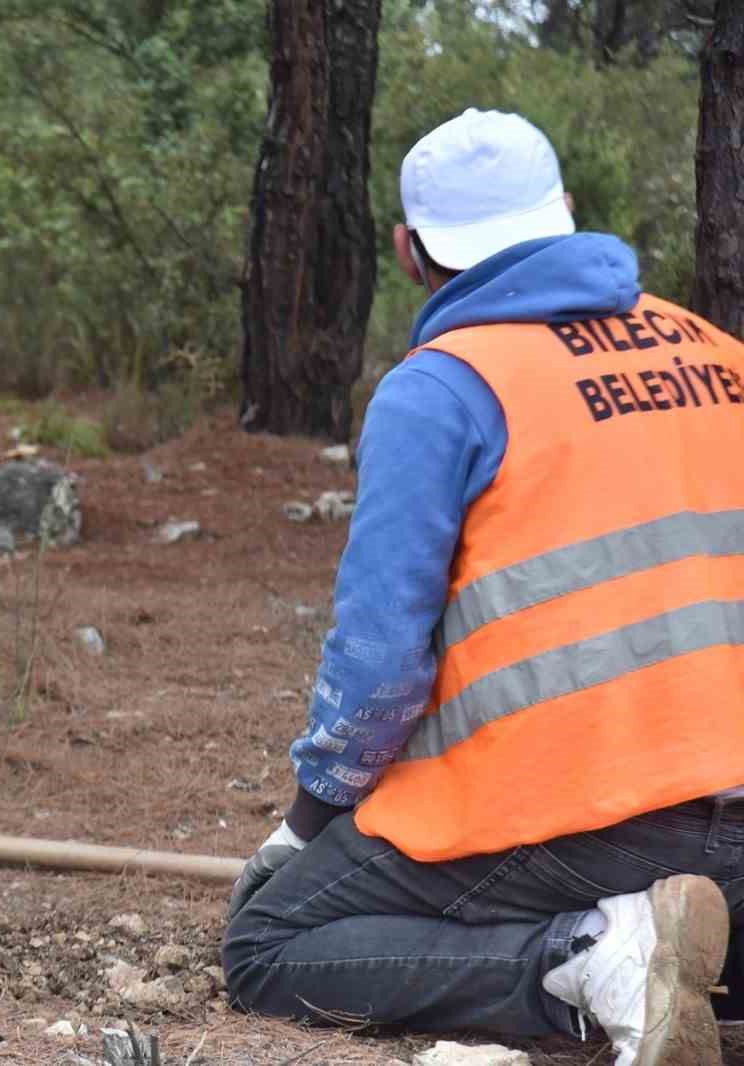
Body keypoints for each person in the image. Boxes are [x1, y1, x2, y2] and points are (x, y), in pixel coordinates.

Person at [220, 109, 744, 1066]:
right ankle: (666, 941)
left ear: (409, 252)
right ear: (569, 214)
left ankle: (588, 959)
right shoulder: (719, 355)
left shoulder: (445, 389)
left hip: (582, 818)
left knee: (267, 943)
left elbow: (380, 667)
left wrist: (308, 824)